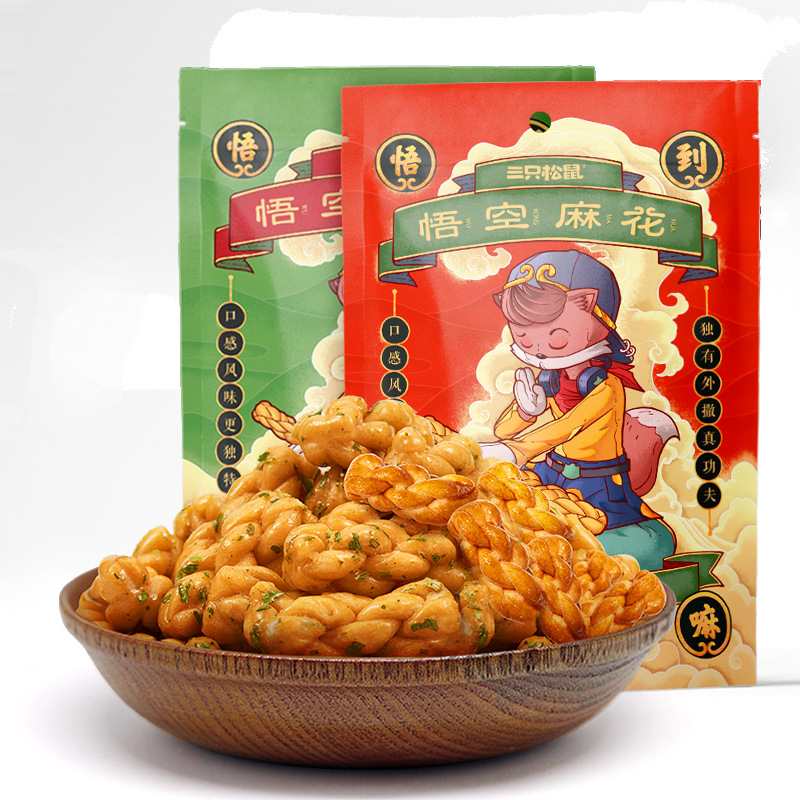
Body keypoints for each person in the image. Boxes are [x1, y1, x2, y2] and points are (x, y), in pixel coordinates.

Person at [482, 249, 677, 571]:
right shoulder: (550, 378)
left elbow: (570, 425)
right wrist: (526, 411)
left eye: (556, 336)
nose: (538, 348)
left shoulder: (606, 387)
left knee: (644, 545)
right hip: (551, 473)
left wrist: (514, 451)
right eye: (523, 336)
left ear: (592, 308)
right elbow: (503, 431)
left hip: (599, 486)